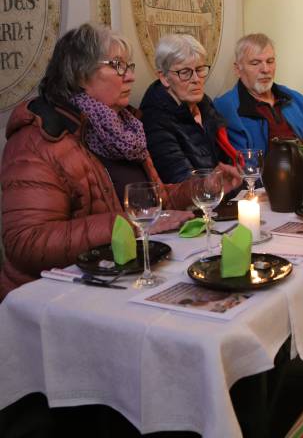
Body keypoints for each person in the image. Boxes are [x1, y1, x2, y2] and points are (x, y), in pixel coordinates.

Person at [0, 23, 241, 300]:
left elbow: (156, 203)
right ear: (80, 74)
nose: (130, 77)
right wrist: (129, 224)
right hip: (54, 297)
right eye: (117, 66)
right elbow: (26, 242)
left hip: (122, 276)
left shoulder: (125, 129)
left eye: (130, 66)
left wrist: (199, 187)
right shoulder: (39, 140)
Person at [140, 33, 238, 183]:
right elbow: (182, 182)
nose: (196, 79)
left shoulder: (205, 104)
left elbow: (229, 164)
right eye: (185, 72)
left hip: (220, 196)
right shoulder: (155, 118)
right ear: (164, 78)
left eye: (199, 70)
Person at [214, 33, 303, 152]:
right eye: (255, 63)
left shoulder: (297, 100)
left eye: (270, 61)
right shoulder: (226, 108)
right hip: (265, 170)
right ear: (238, 69)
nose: (266, 69)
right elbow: (241, 162)